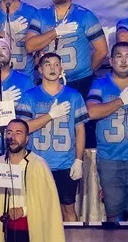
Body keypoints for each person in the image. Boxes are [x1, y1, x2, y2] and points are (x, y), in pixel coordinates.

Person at [86, 41, 128, 226]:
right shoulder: (100, 84)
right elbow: (92, 112)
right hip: (110, 158)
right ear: (111, 60)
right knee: (112, 212)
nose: (123, 61)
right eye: (119, 56)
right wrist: (120, 101)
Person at [21, 51, 88, 222]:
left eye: (56, 64)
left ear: (61, 69)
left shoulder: (73, 96)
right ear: (40, 70)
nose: (52, 68)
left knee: (68, 209)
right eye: (47, 64)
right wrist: (50, 115)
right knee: (39, 211)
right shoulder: (29, 96)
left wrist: (78, 160)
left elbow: (80, 130)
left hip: (65, 163)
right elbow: (24, 128)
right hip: (38, 164)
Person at [31, 0, 106, 95]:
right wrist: (55, 32)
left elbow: (102, 51)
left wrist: (85, 71)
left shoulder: (85, 16)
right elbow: (30, 46)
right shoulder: (41, 15)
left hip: (80, 82)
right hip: (48, 82)